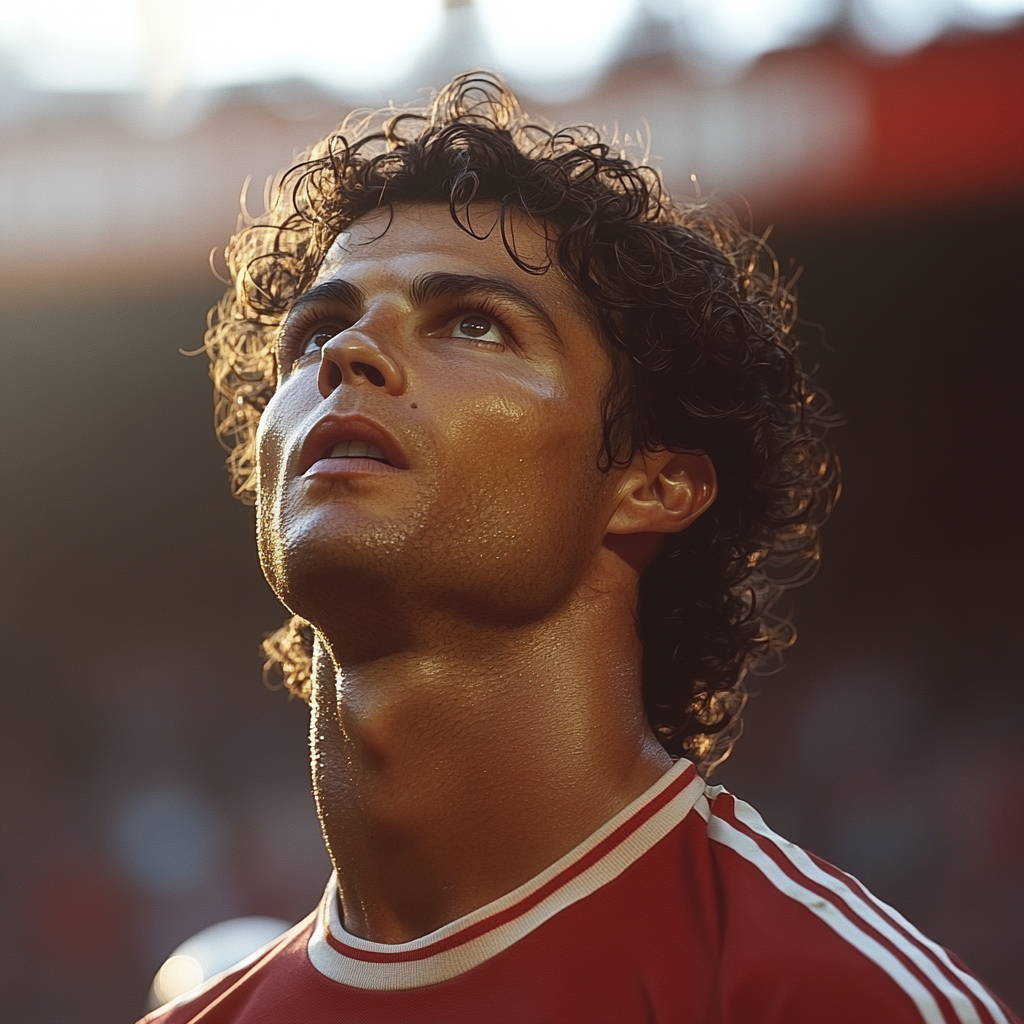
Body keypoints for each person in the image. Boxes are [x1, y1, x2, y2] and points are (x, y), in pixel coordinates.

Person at [141, 73, 1018, 1024]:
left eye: (473, 323)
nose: (350, 354)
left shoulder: (833, 997)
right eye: (317, 329)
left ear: (652, 485)